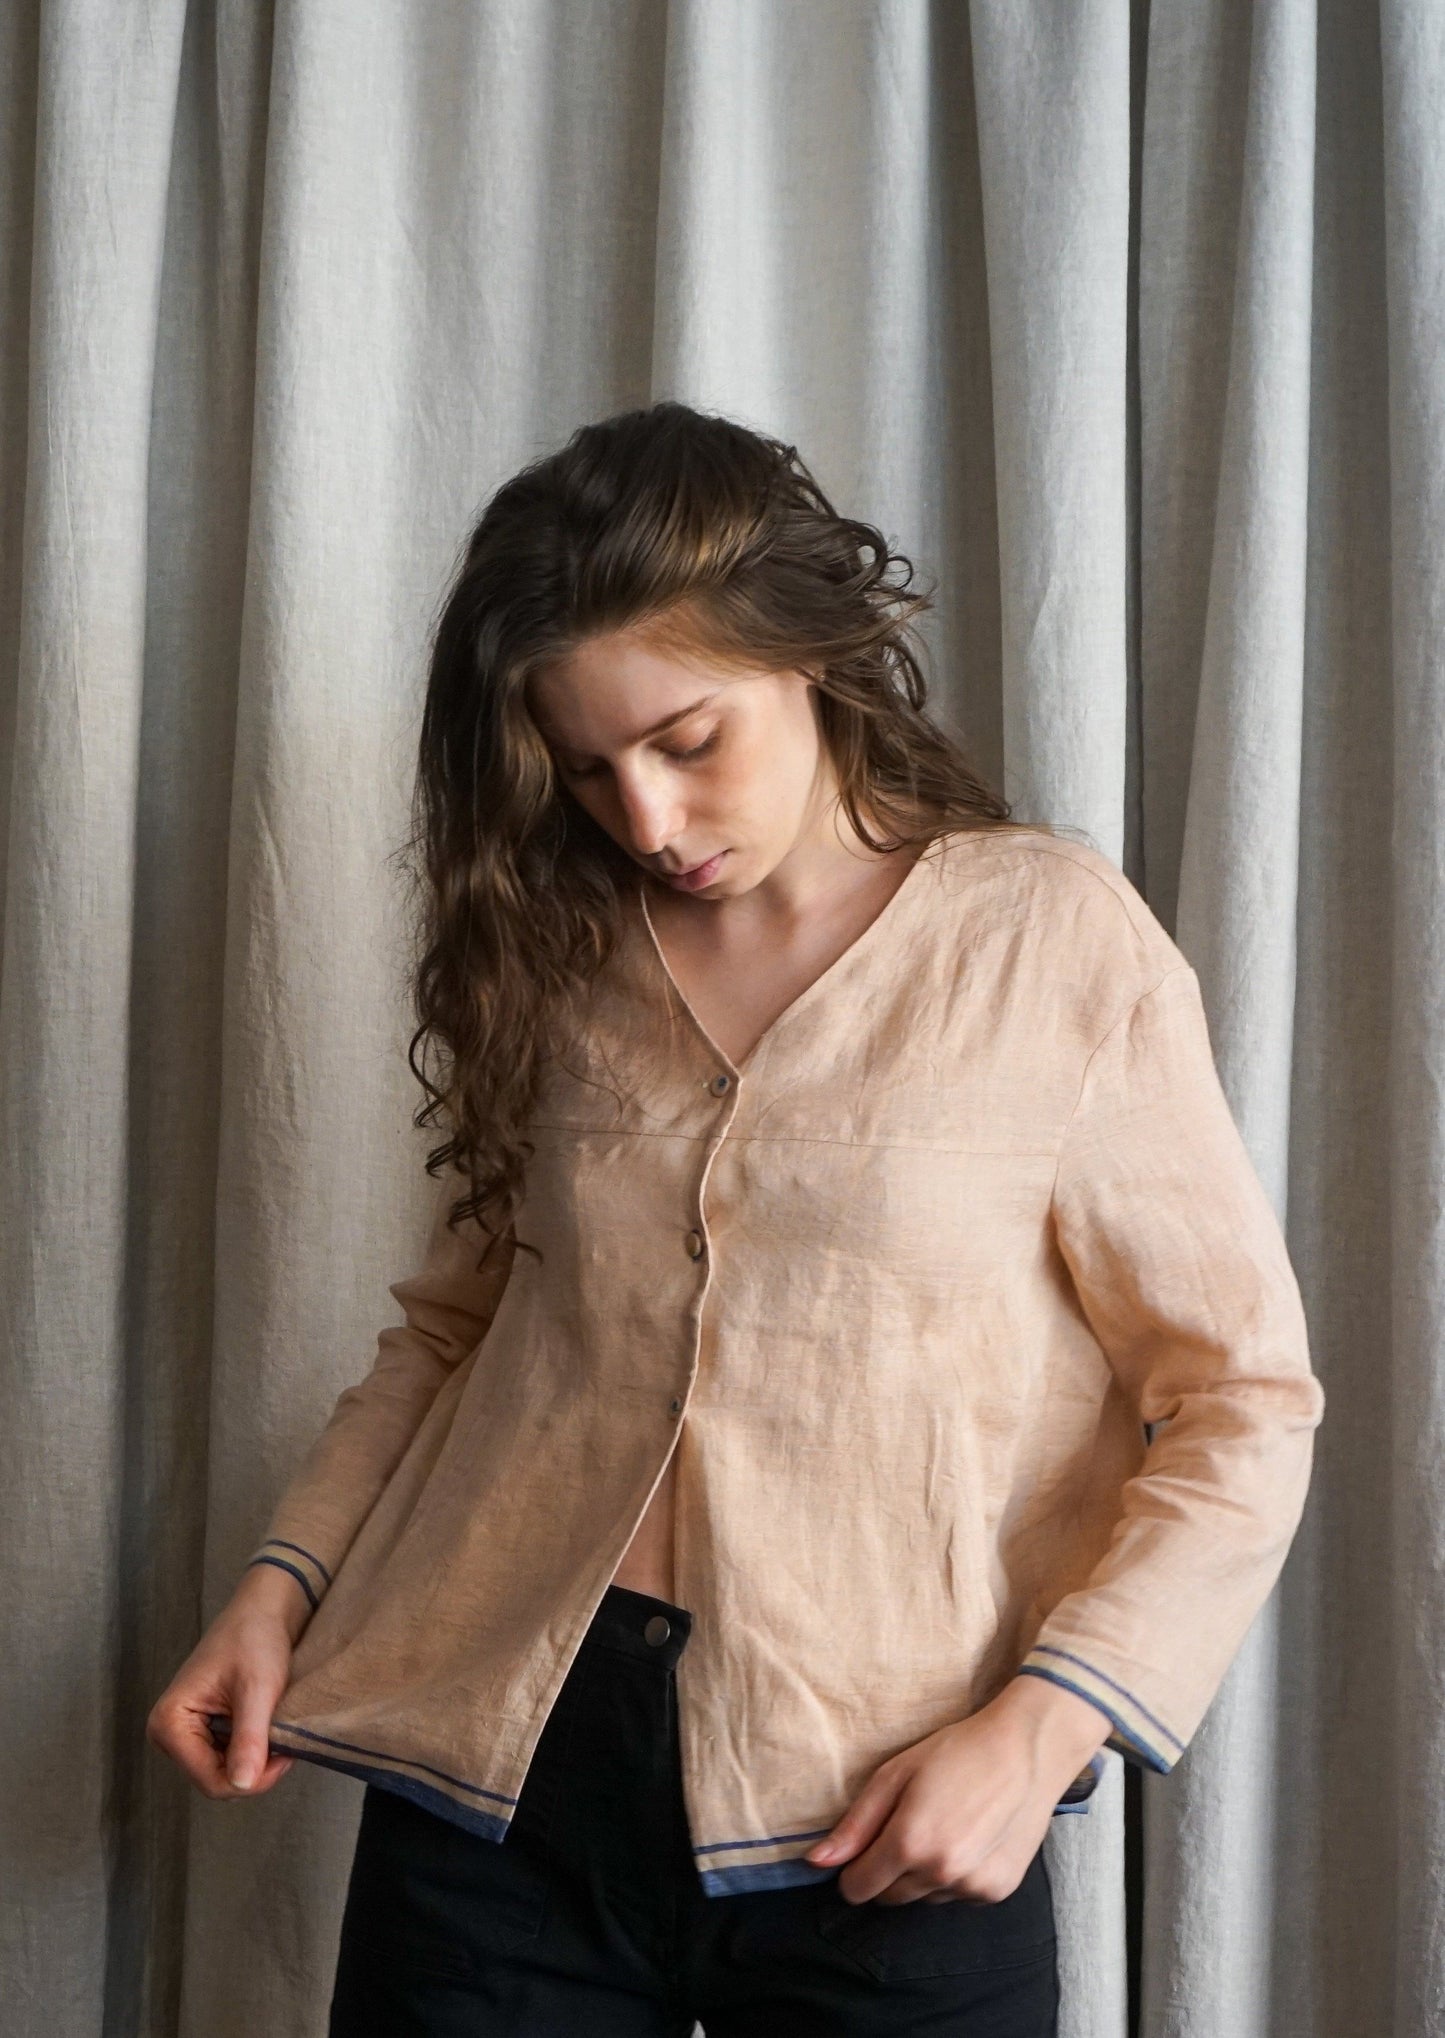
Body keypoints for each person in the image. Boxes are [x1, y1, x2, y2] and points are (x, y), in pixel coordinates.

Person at [148, 401, 1326, 2036]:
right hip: (498, 1791)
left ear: (812, 653)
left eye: (686, 740)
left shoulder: (1047, 941)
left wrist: (1045, 1726)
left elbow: (1238, 1399)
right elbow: (459, 1329)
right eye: (585, 767)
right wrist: (276, 1589)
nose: (641, 818)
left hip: (884, 1809)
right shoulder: (564, 955)